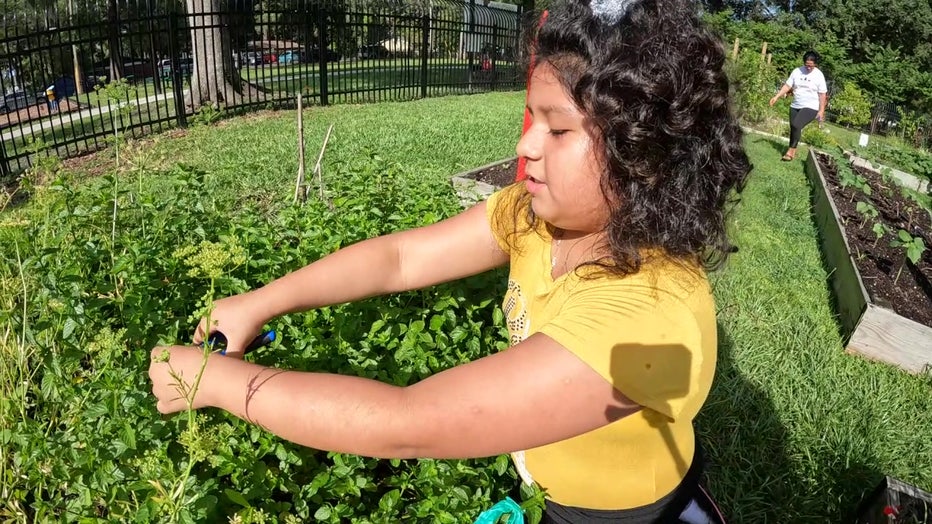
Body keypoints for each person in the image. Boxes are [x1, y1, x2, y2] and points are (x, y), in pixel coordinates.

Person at [148, 0, 750, 521]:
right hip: (550, 483)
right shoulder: (537, 219)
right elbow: (401, 257)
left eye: (558, 130)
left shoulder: (648, 315)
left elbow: (408, 423)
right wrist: (262, 300)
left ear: (641, 152)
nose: (525, 145)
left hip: (617, 515)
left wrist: (217, 382)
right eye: (531, 118)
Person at [769, 50, 828, 161]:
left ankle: (790, 152)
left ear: (815, 64)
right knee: (794, 128)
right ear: (804, 62)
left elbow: (822, 94)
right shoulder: (797, 71)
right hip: (795, 105)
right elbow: (787, 85)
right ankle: (793, 150)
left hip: (811, 107)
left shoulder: (819, 75)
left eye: (811, 65)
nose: (809, 68)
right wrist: (776, 96)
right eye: (807, 65)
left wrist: (821, 111)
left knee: (796, 125)